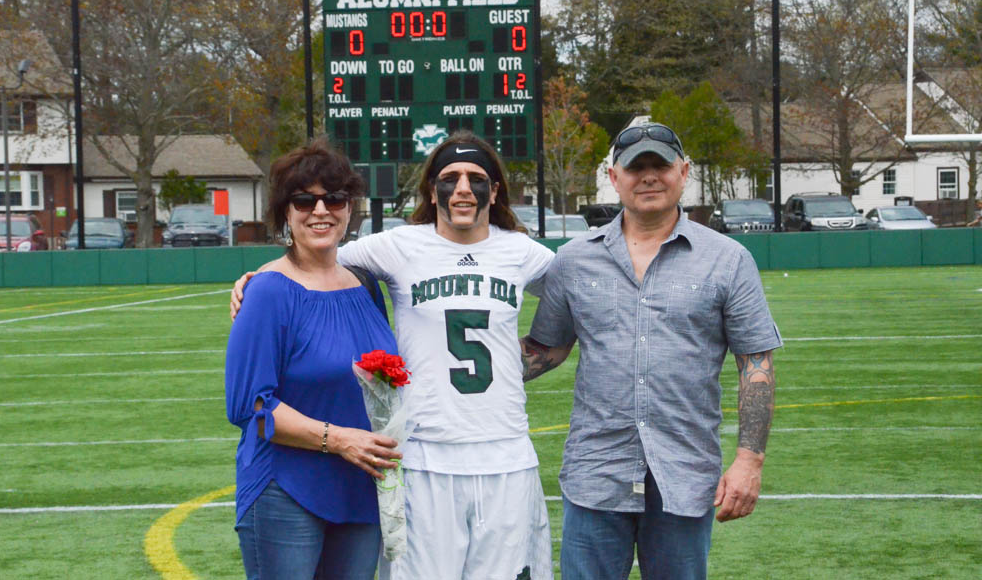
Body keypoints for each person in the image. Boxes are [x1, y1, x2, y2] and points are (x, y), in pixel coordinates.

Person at [231, 132, 555, 580]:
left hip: (502, 453)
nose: (463, 188)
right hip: (420, 456)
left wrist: (527, 359)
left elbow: (578, 293)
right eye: (450, 178)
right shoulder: (397, 247)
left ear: (495, 191)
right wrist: (256, 278)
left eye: (476, 178)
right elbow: (312, 259)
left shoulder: (521, 252)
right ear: (432, 191)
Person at [520, 122, 782, 580]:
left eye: (659, 165)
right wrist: (448, 366)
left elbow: (755, 364)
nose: (648, 177)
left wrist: (749, 461)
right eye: (634, 167)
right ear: (613, 176)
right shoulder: (574, 259)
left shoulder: (728, 259)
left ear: (684, 172)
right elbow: (548, 349)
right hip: (596, 470)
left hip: (684, 472)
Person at [225, 141, 402, 580]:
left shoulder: (366, 286)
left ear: (349, 208)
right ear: (285, 213)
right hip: (286, 489)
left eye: (334, 198)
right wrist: (339, 440)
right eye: (304, 200)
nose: (320, 210)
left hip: (361, 487)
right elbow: (250, 407)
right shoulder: (268, 291)